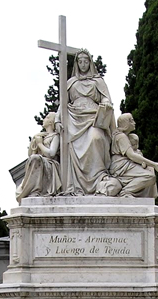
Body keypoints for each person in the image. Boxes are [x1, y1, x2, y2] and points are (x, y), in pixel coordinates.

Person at [62, 49, 113, 195]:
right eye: (80, 62)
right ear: (76, 63)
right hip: (74, 119)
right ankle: (76, 184)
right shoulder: (71, 82)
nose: (83, 64)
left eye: (86, 61)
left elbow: (105, 98)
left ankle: (98, 179)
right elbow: (63, 104)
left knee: (96, 138)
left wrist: (106, 103)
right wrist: (59, 120)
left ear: (90, 63)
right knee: (72, 147)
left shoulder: (98, 81)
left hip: (93, 116)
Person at [107, 113, 158, 197]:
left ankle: (145, 196)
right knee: (149, 176)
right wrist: (153, 164)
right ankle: (126, 192)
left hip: (124, 164)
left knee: (150, 169)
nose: (134, 123)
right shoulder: (121, 137)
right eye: (131, 120)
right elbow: (132, 155)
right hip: (121, 166)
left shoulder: (125, 136)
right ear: (126, 124)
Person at [15, 112, 61, 203]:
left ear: (51, 122)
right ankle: (33, 190)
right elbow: (30, 155)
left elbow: (51, 153)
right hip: (40, 163)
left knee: (36, 159)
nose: (44, 119)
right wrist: (34, 141)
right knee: (34, 159)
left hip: (50, 164)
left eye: (47, 118)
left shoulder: (55, 136)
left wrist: (40, 144)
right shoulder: (41, 136)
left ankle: (36, 190)